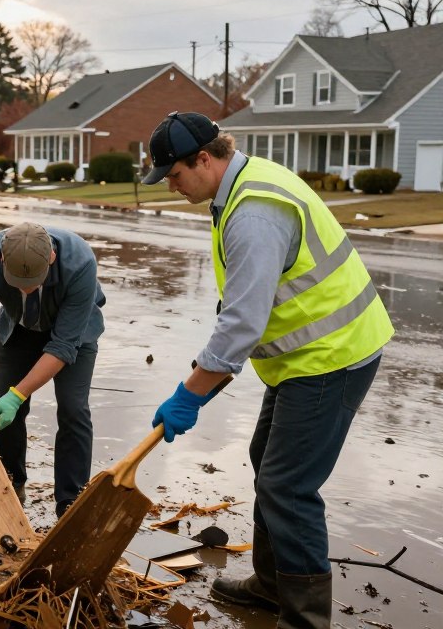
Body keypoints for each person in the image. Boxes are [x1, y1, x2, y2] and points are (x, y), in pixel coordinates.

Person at [141, 112, 394, 629]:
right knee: (267, 459)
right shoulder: (241, 187)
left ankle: (304, 619)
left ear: (204, 159)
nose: (171, 185)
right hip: (304, 358)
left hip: (333, 356)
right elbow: (245, 307)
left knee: (288, 487)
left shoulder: (254, 213)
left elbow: (242, 323)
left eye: (175, 174)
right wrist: (207, 377)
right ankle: (272, 584)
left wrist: (190, 393)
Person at [0, 222, 106, 517]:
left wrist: (18, 395)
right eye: (18, 281)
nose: (26, 288)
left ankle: (70, 502)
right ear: (2, 259)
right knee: (2, 409)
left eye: (34, 281)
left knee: (73, 408)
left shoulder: (80, 263)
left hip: (75, 333)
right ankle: (10, 484)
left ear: (51, 258)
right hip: (18, 327)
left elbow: (63, 346)